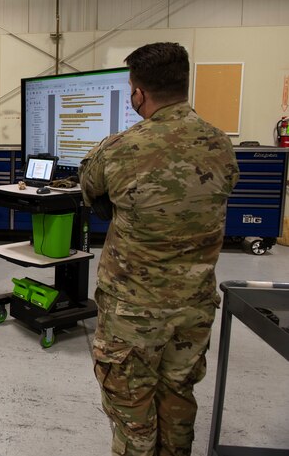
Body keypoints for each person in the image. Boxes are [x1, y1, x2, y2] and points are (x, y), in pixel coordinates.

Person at [79, 42, 240, 456]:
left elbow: (90, 190)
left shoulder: (119, 148)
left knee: (131, 408)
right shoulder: (221, 145)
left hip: (133, 313)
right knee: (178, 397)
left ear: (138, 93)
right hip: (194, 307)